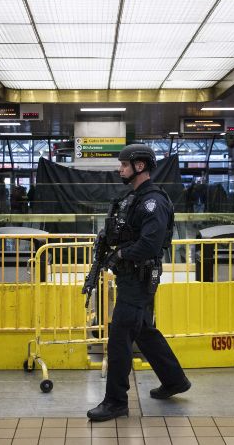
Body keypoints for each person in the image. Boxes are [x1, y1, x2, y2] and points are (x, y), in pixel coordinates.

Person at [87, 144, 190, 422]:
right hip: (133, 277)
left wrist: (119, 254)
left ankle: (116, 402)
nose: (120, 169)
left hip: (138, 278)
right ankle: (174, 380)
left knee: (120, 337)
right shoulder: (134, 199)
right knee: (143, 329)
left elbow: (150, 244)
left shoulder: (152, 201)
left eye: (124, 165)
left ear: (139, 166)